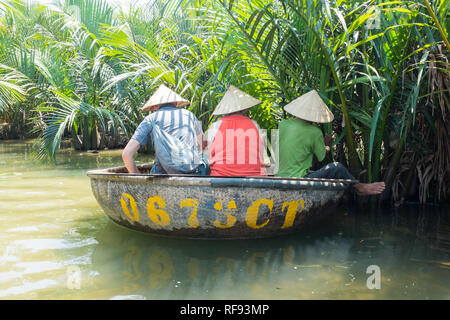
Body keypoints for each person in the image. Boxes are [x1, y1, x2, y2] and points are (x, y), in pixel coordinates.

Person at [277, 90, 385, 195]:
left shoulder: (282, 124)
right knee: (337, 167)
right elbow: (321, 157)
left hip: (279, 177)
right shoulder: (315, 131)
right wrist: (327, 144)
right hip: (299, 180)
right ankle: (360, 187)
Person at [122, 84, 206, 175]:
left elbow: (126, 154)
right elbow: (204, 145)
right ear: (175, 103)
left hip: (162, 173)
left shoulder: (151, 119)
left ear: (155, 106)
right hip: (192, 171)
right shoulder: (190, 115)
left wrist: (137, 177)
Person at [205, 85, 269, 176]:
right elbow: (261, 152)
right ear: (244, 109)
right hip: (254, 175)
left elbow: (207, 154)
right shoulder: (254, 125)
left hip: (221, 175)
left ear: (225, 109)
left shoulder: (215, 126)